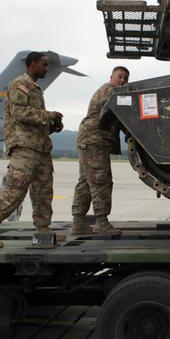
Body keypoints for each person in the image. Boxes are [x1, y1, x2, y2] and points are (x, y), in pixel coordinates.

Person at [0, 52, 64, 248]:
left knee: (43, 191)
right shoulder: (19, 83)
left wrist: (52, 125)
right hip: (24, 147)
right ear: (32, 64)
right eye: (44, 65)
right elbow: (19, 112)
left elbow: (34, 120)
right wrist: (48, 115)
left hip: (39, 147)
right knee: (16, 188)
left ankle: (43, 230)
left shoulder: (35, 88)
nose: (46, 69)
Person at [71, 66, 129, 235]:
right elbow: (117, 109)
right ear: (111, 76)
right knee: (100, 180)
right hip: (95, 140)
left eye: (126, 78)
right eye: (120, 77)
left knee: (85, 182)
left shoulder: (110, 91)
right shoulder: (109, 91)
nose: (123, 80)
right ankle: (101, 222)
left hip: (89, 139)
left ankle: (78, 222)